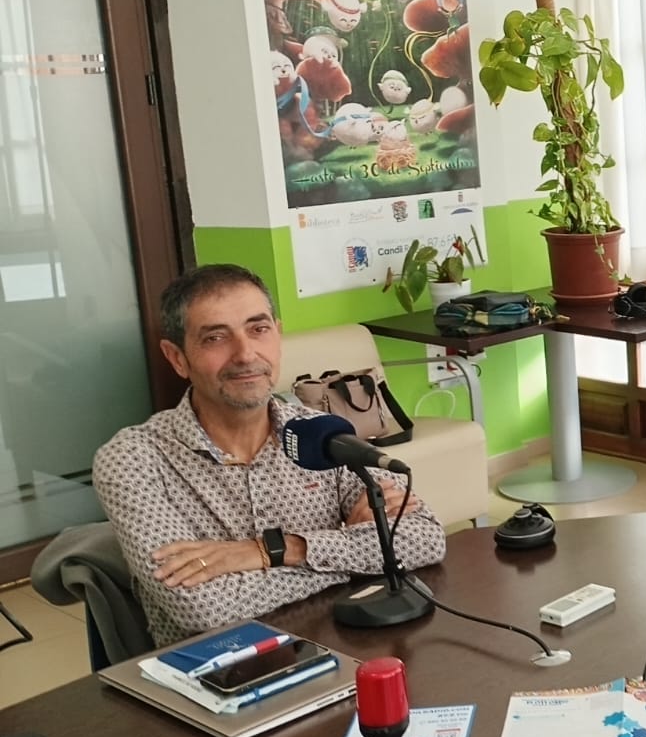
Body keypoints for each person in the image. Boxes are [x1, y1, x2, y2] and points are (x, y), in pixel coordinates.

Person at [94, 264, 446, 646]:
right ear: (177, 358)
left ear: (278, 335)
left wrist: (276, 550)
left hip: (337, 643)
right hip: (218, 667)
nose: (246, 354)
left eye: (258, 329)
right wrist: (351, 551)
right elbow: (202, 608)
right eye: (215, 338)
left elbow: (424, 538)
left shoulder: (321, 432)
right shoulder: (133, 459)